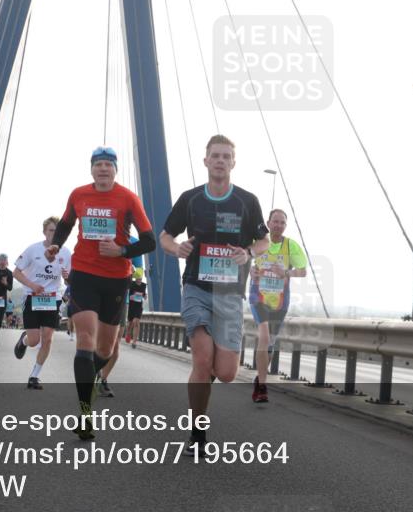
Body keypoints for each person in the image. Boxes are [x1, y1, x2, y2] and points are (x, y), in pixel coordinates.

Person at [161, 135, 269, 455]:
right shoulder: (191, 199)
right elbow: (165, 236)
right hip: (195, 286)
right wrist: (176, 248)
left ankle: (227, 350)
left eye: (226, 156)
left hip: (229, 294)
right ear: (205, 160)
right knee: (202, 358)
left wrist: (248, 252)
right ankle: (197, 434)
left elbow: (263, 242)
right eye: (215, 156)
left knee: (224, 373)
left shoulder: (247, 201)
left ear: (233, 163)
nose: (220, 160)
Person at [47, 147, 156, 439]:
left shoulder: (128, 198)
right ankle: (84, 413)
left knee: (106, 350)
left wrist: (122, 250)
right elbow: (67, 224)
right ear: (91, 169)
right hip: (83, 274)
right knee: (85, 339)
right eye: (99, 165)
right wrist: (56, 245)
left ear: (115, 170)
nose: (103, 169)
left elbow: (150, 241)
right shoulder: (78, 194)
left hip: (116, 280)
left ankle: (90, 388)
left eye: (108, 164)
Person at [249, 208, 307, 403]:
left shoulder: (291, 246)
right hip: (259, 298)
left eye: (282, 222)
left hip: (280, 301)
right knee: (264, 336)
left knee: (270, 344)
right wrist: (250, 270)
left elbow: (302, 271)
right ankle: (264, 388)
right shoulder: (259, 242)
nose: (278, 225)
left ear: (285, 225)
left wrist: (286, 273)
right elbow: (244, 261)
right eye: (275, 221)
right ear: (268, 222)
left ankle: (259, 379)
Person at [13, 217, 71, 390]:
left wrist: (68, 279)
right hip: (33, 297)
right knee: (33, 340)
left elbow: (68, 281)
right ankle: (23, 340)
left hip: (53, 299)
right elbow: (16, 272)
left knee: (47, 339)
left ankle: (34, 376)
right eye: (51, 230)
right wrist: (32, 285)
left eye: (57, 231)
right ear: (44, 232)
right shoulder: (33, 250)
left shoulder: (66, 253)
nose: (54, 234)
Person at [97, 236, 145, 397]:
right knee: (96, 340)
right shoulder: (99, 235)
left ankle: (103, 380)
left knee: (115, 343)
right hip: (97, 294)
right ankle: (92, 372)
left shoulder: (134, 241)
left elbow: (140, 271)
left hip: (120, 297)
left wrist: (128, 266)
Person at [125, 266, 147, 349]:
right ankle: (128, 333)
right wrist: (134, 296)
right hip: (132, 306)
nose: (139, 279)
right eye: (138, 277)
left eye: (140, 277)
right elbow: (129, 296)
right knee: (130, 323)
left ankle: (134, 342)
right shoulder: (132, 284)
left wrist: (145, 296)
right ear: (135, 277)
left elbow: (144, 294)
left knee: (136, 322)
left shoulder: (144, 285)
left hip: (138, 307)